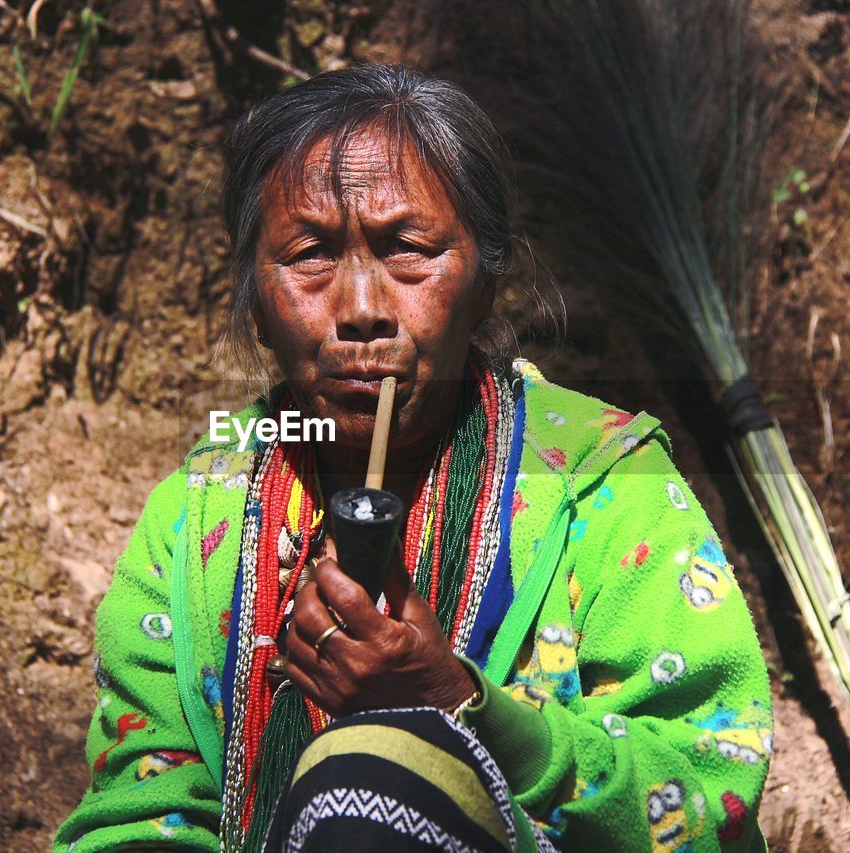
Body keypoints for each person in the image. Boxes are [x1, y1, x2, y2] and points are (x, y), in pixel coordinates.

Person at [55, 63, 772, 852]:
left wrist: (456, 704)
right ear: (256, 303)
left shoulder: (605, 485)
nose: (362, 309)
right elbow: (138, 810)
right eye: (309, 255)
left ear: (486, 285)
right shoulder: (195, 520)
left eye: (408, 248)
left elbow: (711, 798)